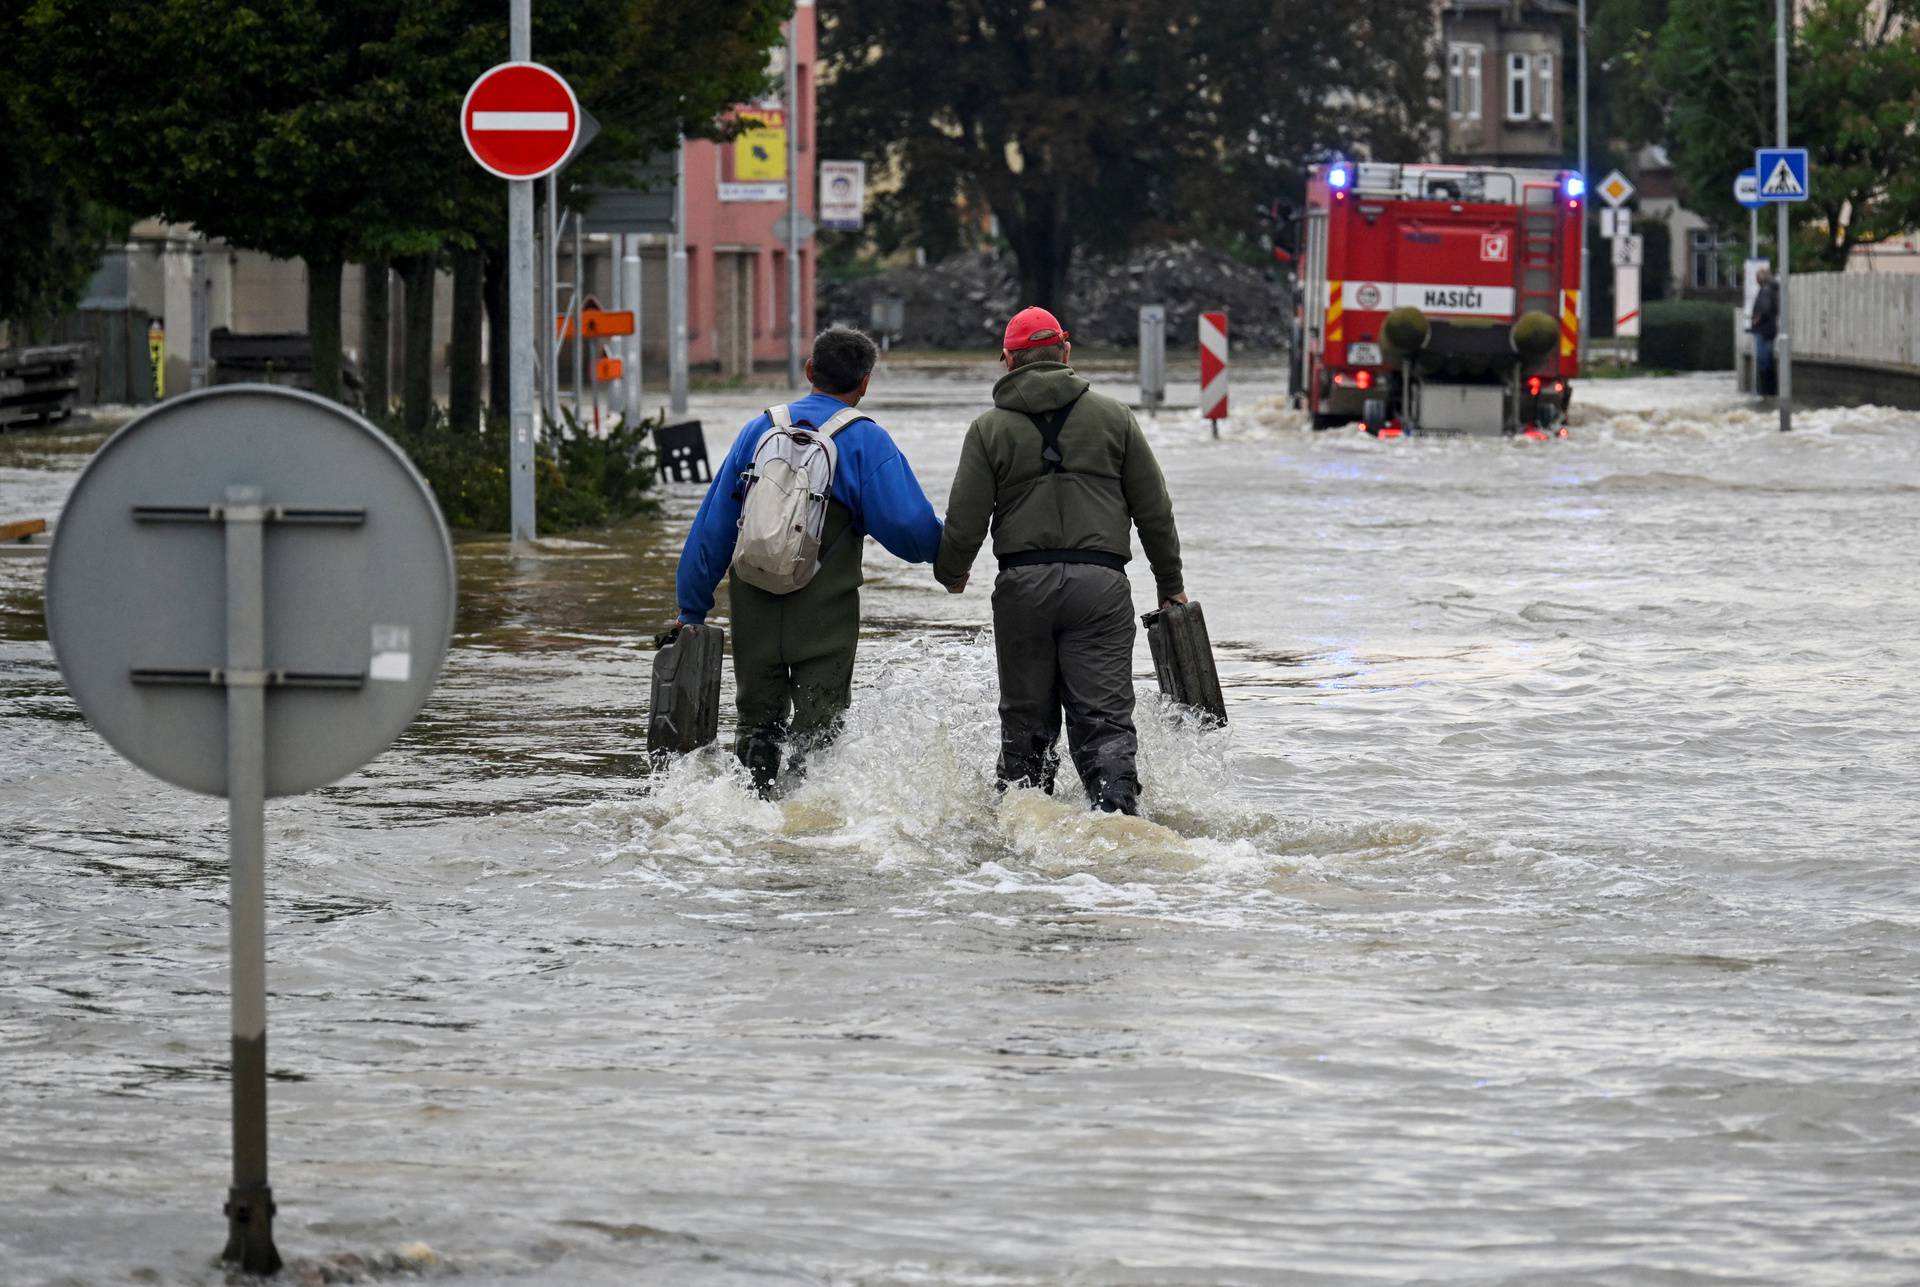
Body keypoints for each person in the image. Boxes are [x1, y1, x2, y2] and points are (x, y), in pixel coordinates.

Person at [934, 307, 1186, 817]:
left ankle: (1026, 831)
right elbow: (1154, 509)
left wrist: (952, 571)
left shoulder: (987, 430)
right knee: (1105, 720)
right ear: (1066, 353)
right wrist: (1170, 583)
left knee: (1026, 723)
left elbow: (965, 519)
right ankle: (1117, 817)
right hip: (1101, 587)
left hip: (1022, 588)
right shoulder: (1116, 418)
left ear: (1008, 361)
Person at [675, 326, 943, 792]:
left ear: (808, 371)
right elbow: (910, 529)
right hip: (824, 616)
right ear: (865, 383)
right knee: (818, 739)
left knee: (756, 728)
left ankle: (750, 825)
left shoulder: (758, 429)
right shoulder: (865, 441)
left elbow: (712, 530)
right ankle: (804, 831)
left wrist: (690, 610)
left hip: (754, 610)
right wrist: (949, 559)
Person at [1750, 266, 1780, 397]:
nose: (1756, 279)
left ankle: (1766, 391)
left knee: (1763, 360)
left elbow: (1765, 308)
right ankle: (1768, 390)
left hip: (1763, 330)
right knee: (1766, 359)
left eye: (1757, 276)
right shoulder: (1772, 289)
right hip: (1770, 329)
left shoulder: (1766, 290)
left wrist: (1756, 320)